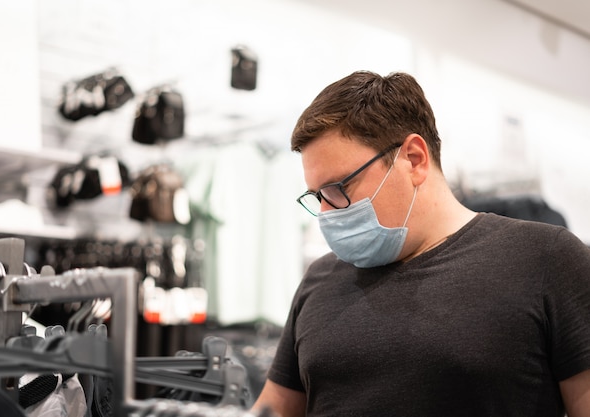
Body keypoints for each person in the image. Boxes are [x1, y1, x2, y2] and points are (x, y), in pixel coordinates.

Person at [251, 71, 590, 416]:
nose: (325, 212)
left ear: (414, 159)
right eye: (317, 195)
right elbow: (273, 409)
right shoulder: (320, 281)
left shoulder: (545, 260)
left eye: (339, 188)